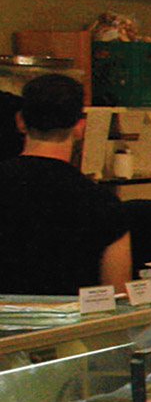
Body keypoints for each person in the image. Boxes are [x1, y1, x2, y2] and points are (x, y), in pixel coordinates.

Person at [0, 74, 130, 295]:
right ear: (80, 127)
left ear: (20, 121)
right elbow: (117, 296)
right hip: (75, 328)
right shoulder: (102, 202)